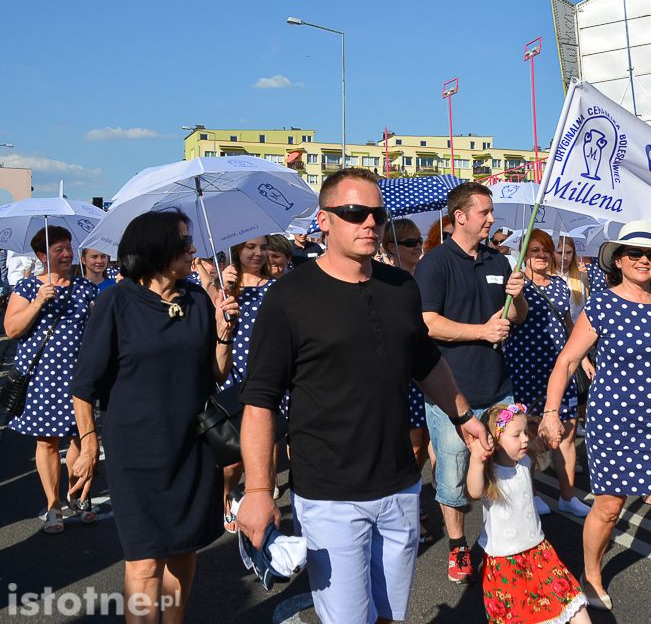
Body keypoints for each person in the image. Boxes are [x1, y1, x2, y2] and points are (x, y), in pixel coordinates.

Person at [237, 168, 488, 624]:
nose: (369, 222)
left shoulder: (402, 287)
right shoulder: (289, 297)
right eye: (354, 212)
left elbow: (426, 362)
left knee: (390, 615)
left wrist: (464, 416)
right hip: (329, 494)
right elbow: (260, 401)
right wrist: (257, 490)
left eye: (377, 213)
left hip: (400, 484)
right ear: (324, 220)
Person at [538, 221, 651, 624]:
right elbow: (566, 361)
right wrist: (550, 412)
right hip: (613, 424)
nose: (643, 260)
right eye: (634, 253)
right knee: (609, 509)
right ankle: (591, 573)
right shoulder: (601, 305)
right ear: (618, 260)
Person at [69, 210, 238, 623]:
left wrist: (222, 333)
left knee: (183, 551)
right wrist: (89, 446)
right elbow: (84, 385)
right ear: (156, 248)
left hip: (192, 449)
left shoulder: (197, 299)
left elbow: (217, 374)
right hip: (137, 455)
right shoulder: (116, 301)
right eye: (184, 242)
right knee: (144, 563)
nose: (193, 250)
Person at [414, 182, 527, 584]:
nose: (492, 219)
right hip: (451, 393)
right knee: (453, 477)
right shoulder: (435, 263)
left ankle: (505, 543)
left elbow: (515, 317)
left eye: (491, 212)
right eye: (484, 212)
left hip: (498, 388)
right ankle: (458, 545)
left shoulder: (498, 261)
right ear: (460, 217)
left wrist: (518, 297)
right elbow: (428, 323)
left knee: (507, 469)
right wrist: (481, 331)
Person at [4, 226, 99, 533]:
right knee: (47, 441)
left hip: (78, 375)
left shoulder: (85, 288)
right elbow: (12, 330)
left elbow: (97, 329)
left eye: (69, 248)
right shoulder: (27, 288)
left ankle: (76, 497)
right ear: (42, 256)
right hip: (42, 377)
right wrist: (38, 302)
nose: (67, 254)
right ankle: (53, 505)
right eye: (59, 249)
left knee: (79, 437)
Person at [467, 403, 591, 624]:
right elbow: (474, 491)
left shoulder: (524, 461)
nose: (525, 438)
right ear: (495, 442)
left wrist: (549, 432)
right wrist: (476, 460)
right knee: (524, 616)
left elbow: (539, 444)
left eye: (525, 432)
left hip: (540, 552)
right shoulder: (491, 475)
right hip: (506, 560)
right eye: (517, 435)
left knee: (572, 602)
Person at [505, 229, 591, 517]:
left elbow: (569, 325)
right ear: (523, 254)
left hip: (559, 368)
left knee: (566, 432)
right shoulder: (516, 285)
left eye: (545, 250)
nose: (541, 255)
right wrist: (515, 292)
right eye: (534, 251)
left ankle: (568, 496)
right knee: (528, 434)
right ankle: (531, 494)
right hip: (525, 368)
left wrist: (582, 357)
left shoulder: (560, 285)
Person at [381, 217, 436, 543]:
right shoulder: (386, 281)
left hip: (429, 367)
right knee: (412, 444)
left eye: (420, 241)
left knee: (424, 443)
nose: (418, 247)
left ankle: (409, 501)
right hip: (400, 372)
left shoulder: (426, 276)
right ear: (391, 247)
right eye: (410, 242)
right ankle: (407, 511)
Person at [219, 236, 275, 531]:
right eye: (250, 247)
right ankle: (227, 495)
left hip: (269, 377)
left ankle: (264, 512)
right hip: (233, 377)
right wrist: (225, 292)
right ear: (237, 250)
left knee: (266, 452)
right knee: (233, 458)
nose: (258, 253)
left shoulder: (276, 288)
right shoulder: (224, 288)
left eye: (263, 247)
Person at [555, 235, 591, 320]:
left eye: (569, 252)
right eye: (560, 253)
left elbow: (585, 306)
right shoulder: (547, 278)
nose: (565, 258)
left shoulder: (581, 276)